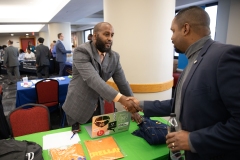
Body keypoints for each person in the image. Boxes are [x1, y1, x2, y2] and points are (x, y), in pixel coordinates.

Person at [126, 6, 240, 160]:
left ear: (186, 28)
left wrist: (193, 140)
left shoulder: (223, 57)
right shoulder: (193, 60)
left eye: (173, 31)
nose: (171, 37)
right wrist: (142, 105)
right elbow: (181, 102)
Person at [62, 22, 139, 129]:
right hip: (78, 107)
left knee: (98, 141)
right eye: (106, 34)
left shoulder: (114, 57)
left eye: (112, 35)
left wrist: (133, 108)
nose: (110, 38)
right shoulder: (82, 51)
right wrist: (122, 99)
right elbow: (93, 79)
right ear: (95, 36)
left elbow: (122, 83)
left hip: (98, 106)